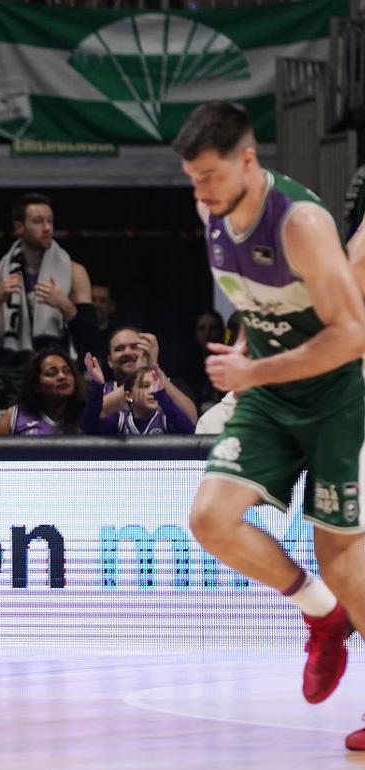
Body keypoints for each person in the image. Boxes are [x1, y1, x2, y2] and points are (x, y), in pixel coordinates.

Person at [174, 100, 365, 750]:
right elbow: (263, 309)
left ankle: (334, 602)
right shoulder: (212, 211)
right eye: (192, 178)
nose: (199, 190)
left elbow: (351, 336)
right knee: (209, 520)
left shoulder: (302, 224)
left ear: (247, 160)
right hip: (271, 392)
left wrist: (251, 372)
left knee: (342, 556)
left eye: (208, 175)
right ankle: (322, 617)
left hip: (338, 395)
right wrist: (253, 362)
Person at [0, 193, 95, 433]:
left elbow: (91, 337)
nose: (47, 228)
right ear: (19, 227)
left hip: (58, 370)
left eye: (50, 221)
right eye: (38, 221)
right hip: (10, 373)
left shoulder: (74, 272)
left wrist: (65, 305)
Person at [0, 347, 84, 436]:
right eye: (52, 373)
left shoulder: (86, 415)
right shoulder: (15, 416)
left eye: (67, 371)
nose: (62, 377)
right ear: (36, 385)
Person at [83, 360, 195, 435]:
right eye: (145, 386)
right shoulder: (120, 420)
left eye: (155, 386)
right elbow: (90, 427)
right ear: (128, 395)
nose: (152, 391)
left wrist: (162, 396)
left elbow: (189, 431)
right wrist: (97, 386)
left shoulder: (164, 419)